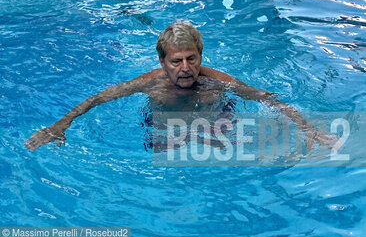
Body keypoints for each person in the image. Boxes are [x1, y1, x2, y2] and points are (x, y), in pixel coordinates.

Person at [25, 21, 337, 152]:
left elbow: (269, 99)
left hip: (215, 120)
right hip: (166, 125)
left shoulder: (218, 81)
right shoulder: (150, 84)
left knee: (226, 147)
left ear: (201, 56)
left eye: (192, 58)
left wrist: (308, 128)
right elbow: (96, 100)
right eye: (176, 61)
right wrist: (59, 125)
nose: (185, 68)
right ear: (162, 62)